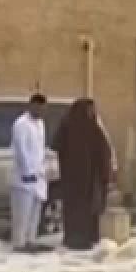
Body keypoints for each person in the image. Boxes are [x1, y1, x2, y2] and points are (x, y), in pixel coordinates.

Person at [52, 98, 115, 251]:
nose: (92, 113)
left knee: (89, 209)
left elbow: (104, 152)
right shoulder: (67, 126)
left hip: (91, 179)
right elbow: (57, 146)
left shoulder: (94, 128)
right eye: (89, 109)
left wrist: (104, 175)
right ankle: (75, 239)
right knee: (75, 210)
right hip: (73, 179)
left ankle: (88, 238)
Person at [9, 93, 51, 252]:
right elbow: (21, 150)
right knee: (22, 213)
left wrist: (42, 169)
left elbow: (39, 148)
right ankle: (19, 243)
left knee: (35, 212)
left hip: (38, 175)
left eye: (44, 109)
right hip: (24, 177)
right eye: (39, 108)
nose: (41, 112)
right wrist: (28, 172)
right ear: (31, 106)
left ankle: (30, 240)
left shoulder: (40, 124)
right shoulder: (21, 124)